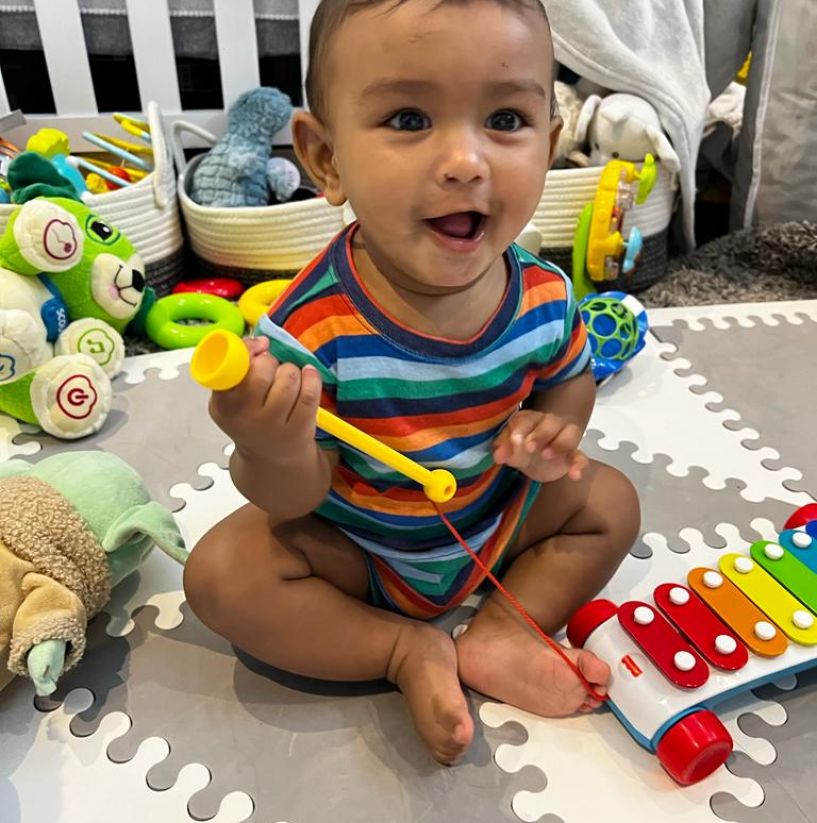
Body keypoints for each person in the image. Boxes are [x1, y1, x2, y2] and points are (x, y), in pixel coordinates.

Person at [183, 0, 640, 765]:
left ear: (550, 144)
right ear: (326, 160)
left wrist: (556, 429)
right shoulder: (310, 329)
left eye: (504, 119)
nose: (465, 161)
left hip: (496, 520)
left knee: (611, 502)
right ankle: (399, 647)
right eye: (407, 119)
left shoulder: (545, 295)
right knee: (223, 574)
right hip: (356, 549)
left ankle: (502, 629)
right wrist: (269, 445)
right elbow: (291, 498)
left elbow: (569, 382)